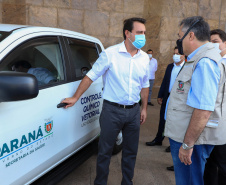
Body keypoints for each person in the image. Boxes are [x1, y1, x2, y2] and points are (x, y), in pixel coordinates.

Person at [61, 17, 150, 185]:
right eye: (139, 33)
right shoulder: (110, 54)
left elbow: (145, 85)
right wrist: (75, 97)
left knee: (131, 151)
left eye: (144, 33)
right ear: (127, 33)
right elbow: (91, 76)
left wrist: (144, 108)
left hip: (133, 112)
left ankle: (127, 182)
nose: (143, 36)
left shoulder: (144, 58)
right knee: (104, 152)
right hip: (112, 111)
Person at [164, 16, 226, 185]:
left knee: (189, 181)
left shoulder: (205, 62)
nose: (178, 41)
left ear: (190, 36)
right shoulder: (198, 58)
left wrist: (187, 145)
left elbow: (204, 109)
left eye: (179, 36)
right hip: (189, 137)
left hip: (192, 140)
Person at [146, 46, 185, 172]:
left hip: (178, 99)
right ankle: (158, 139)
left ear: (183, 55)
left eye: (178, 54)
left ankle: (172, 145)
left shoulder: (187, 68)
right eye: (174, 53)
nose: (175, 56)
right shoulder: (170, 66)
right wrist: (160, 95)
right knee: (163, 119)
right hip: (167, 96)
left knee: (175, 124)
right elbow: (164, 81)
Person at [204, 29, 226, 185]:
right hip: (209, 123)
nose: (212, 45)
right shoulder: (211, 63)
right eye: (210, 42)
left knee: (223, 164)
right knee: (209, 165)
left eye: (216, 42)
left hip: (223, 126)